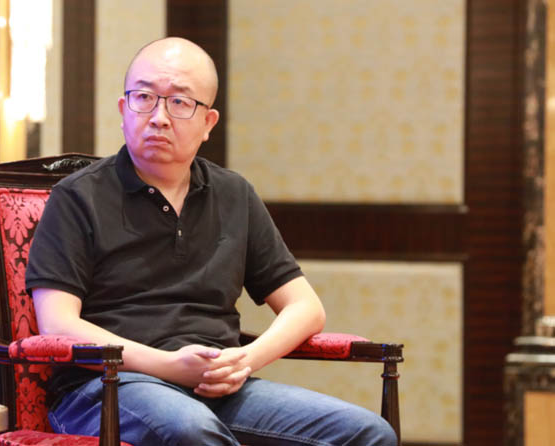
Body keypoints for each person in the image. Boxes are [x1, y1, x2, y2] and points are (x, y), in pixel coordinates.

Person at [25, 37, 397, 446]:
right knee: (191, 429)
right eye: (144, 97)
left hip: (217, 390)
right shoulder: (78, 197)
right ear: (122, 109)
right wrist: (168, 366)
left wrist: (245, 360)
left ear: (208, 123)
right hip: (106, 387)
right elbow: (57, 322)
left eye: (180, 102)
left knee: (368, 434)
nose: (159, 117)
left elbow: (306, 308)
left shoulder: (234, 195)